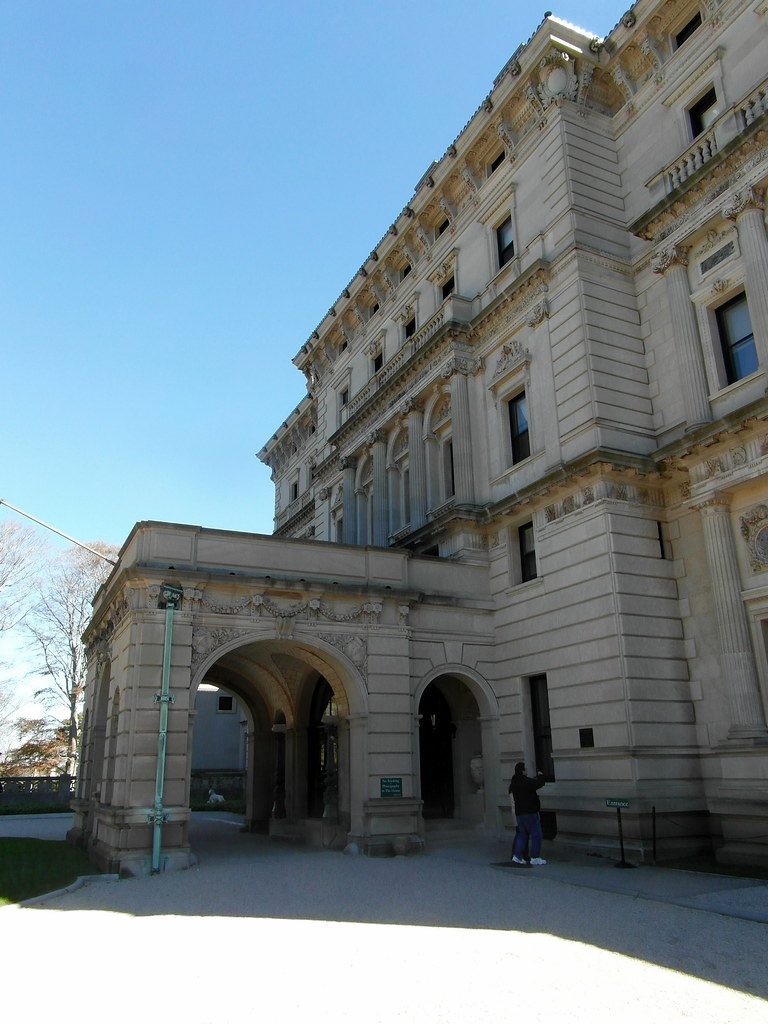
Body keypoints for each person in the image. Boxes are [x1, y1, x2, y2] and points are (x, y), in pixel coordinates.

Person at [508, 761, 547, 866]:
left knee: (522, 835)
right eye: (525, 769)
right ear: (522, 771)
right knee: (536, 834)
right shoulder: (526, 781)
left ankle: (517, 856)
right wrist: (541, 776)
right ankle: (535, 857)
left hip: (519, 813)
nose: (527, 770)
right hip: (530, 812)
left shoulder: (514, 783)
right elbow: (539, 783)